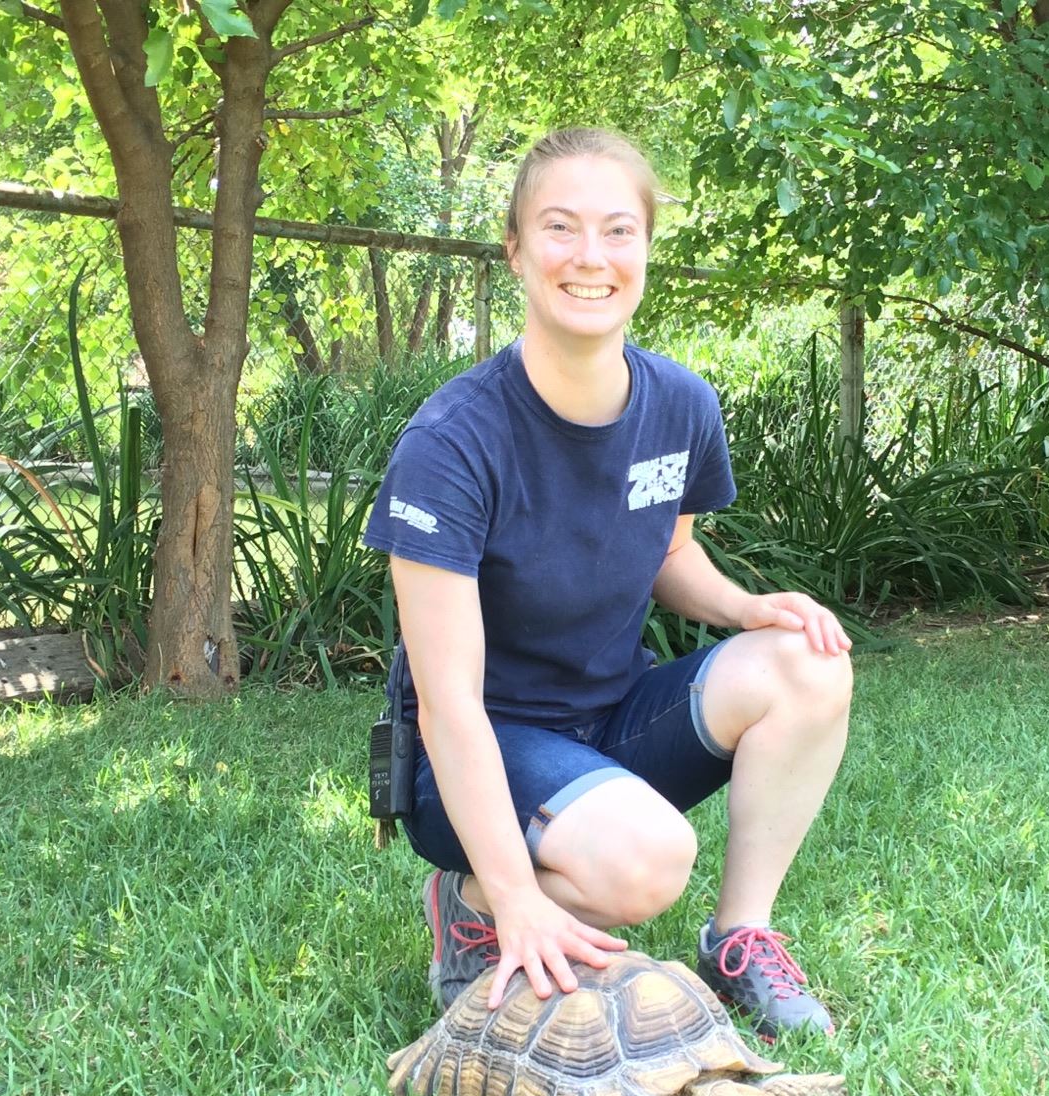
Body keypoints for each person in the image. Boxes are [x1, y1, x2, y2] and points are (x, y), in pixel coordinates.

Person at [362, 128, 853, 1040]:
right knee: (645, 864)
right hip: (475, 748)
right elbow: (448, 705)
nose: (591, 257)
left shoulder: (681, 407)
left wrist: (751, 610)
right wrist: (514, 893)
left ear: (647, 250)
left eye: (618, 230)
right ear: (514, 248)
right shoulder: (452, 443)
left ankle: (740, 935)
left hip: (609, 720)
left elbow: (666, 555)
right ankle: (466, 899)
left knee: (807, 664)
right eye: (560, 227)